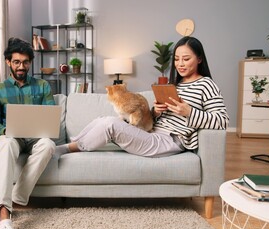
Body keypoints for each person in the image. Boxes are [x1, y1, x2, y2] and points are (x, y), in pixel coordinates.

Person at [54, 36, 229, 158]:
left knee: (110, 124)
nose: (180, 64)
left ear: (199, 59)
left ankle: (64, 149)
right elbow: (156, 118)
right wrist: (157, 112)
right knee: (105, 118)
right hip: (151, 132)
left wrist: (189, 111)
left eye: (186, 59)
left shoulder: (206, 84)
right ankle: (73, 142)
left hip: (169, 141)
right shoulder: (176, 84)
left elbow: (222, 120)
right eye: (176, 59)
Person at [0, 37, 56, 229]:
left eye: (25, 62)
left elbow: (50, 116)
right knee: (5, 144)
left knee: (49, 145)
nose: (21, 66)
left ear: (30, 63)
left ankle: (11, 201)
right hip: (11, 137)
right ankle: (5, 220)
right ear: (8, 62)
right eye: (16, 62)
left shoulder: (43, 86)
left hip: (35, 137)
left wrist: (43, 128)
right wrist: (7, 130)